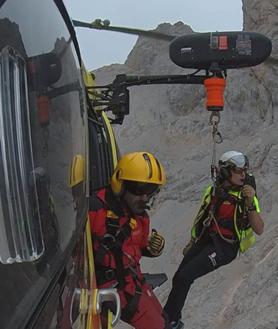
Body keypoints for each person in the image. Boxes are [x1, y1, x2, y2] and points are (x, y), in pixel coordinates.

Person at [164, 151, 264, 329]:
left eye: (244, 171)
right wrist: (193, 241)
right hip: (208, 239)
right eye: (238, 171)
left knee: (186, 276)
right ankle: (170, 317)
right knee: (179, 277)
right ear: (226, 172)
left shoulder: (247, 197)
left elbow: (259, 229)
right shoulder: (213, 191)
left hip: (226, 247)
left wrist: (249, 203)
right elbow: (202, 217)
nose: (243, 175)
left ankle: (170, 322)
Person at [89, 151, 171, 329]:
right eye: (139, 189)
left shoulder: (140, 217)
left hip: (132, 282)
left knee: (166, 322)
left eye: (150, 191)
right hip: (110, 288)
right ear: (121, 184)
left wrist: (150, 249)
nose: (144, 197)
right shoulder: (94, 210)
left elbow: (137, 247)